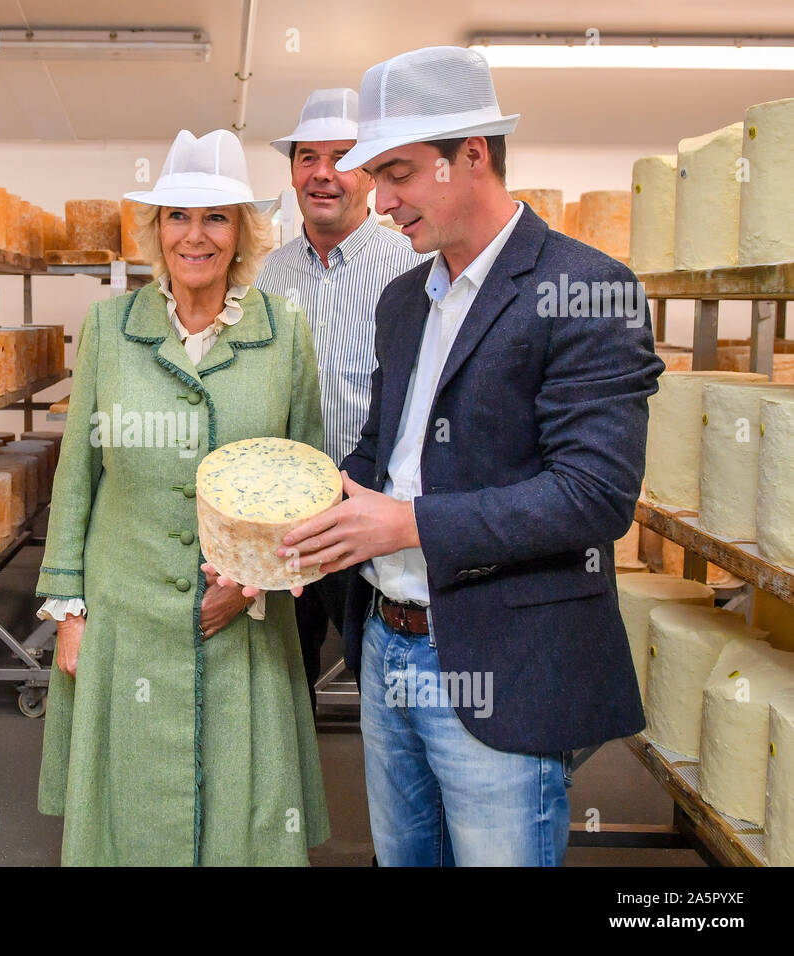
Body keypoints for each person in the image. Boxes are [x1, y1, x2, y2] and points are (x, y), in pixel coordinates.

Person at [256, 46, 663, 865]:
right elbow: (382, 450)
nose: (383, 198)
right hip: (386, 646)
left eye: (400, 172)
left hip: (497, 660)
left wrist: (405, 525)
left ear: (471, 155)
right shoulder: (406, 298)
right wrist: (313, 504)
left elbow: (592, 496)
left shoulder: (585, 289)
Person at [34, 128, 330, 866]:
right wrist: (68, 611)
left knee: (243, 810)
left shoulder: (286, 332)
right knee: (128, 812)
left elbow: (309, 486)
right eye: (177, 216)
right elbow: (77, 476)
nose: (193, 236)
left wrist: (253, 585)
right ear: (155, 229)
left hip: (244, 624)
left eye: (216, 217)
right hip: (124, 611)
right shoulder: (109, 327)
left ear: (244, 235)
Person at [257, 88, 429, 710]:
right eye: (308, 158)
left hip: (373, 507)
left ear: (370, 171)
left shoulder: (411, 266)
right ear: (293, 172)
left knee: (385, 671)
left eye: (342, 156)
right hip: (286, 514)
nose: (323, 173)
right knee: (282, 675)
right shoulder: (265, 276)